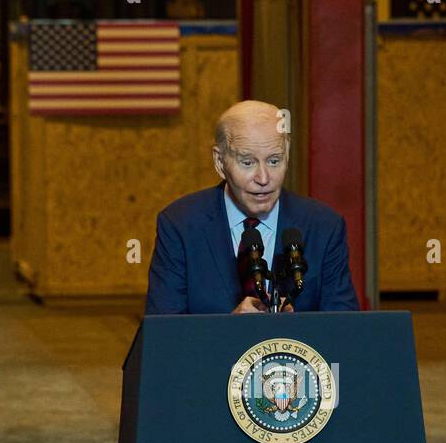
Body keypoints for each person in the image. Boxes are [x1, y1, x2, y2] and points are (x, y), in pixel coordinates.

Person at [144, 99, 360, 315]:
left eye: (274, 161)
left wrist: (297, 330)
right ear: (220, 163)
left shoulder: (324, 227)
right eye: (248, 163)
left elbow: (346, 334)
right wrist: (232, 329)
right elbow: (164, 337)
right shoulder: (180, 225)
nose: (264, 178)